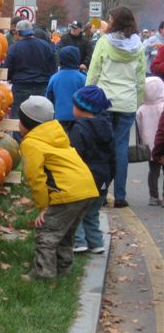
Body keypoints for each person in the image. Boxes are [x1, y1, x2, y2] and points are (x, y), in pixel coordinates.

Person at [18, 96, 98, 280]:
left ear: (27, 124)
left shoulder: (31, 143)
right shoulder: (56, 136)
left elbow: (36, 178)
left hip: (67, 193)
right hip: (86, 188)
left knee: (47, 232)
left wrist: (43, 207)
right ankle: (63, 268)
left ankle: (43, 274)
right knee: (65, 233)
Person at [86, 6, 146, 208]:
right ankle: (120, 196)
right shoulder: (138, 45)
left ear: (115, 22)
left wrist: (87, 95)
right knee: (121, 148)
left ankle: (102, 193)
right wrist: (137, 102)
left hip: (105, 101)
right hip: (127, 102)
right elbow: (140, 79)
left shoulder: (104, 42)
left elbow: (94, 71)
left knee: (103, 147)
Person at [68, 86, 115, 254]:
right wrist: (109, 179)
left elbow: (75, 156)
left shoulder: (79, 129)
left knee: (77, 211)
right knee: (93, 213)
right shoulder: (107, 127)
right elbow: (113, 156)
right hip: (102, 179)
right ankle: (96, 243)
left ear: (81, 108)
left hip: (84, 178)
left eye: (74, 105)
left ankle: (79, 242)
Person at [3, 19, 57, 139]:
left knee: (19, 121)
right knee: (40, 120)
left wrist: (11, 78)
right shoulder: (45, 46)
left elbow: (7, 71)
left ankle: (21, 146)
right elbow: (53, 68)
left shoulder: (14, 48)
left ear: (18, 33)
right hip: (41, 87)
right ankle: (40, 143)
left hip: (21, 88)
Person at [136, 77, 164, 206]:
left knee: (153, 171)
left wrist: (141, 142)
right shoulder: (162, 107)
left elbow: (139, 128)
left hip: (149, 146)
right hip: (162, 144)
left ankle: (153, 196)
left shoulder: (141, 109)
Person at [46, 46, 86, 122]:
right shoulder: (82, 78)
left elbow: (49, 98)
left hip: (59, 116)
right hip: (78, 117)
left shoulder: (54, 78)